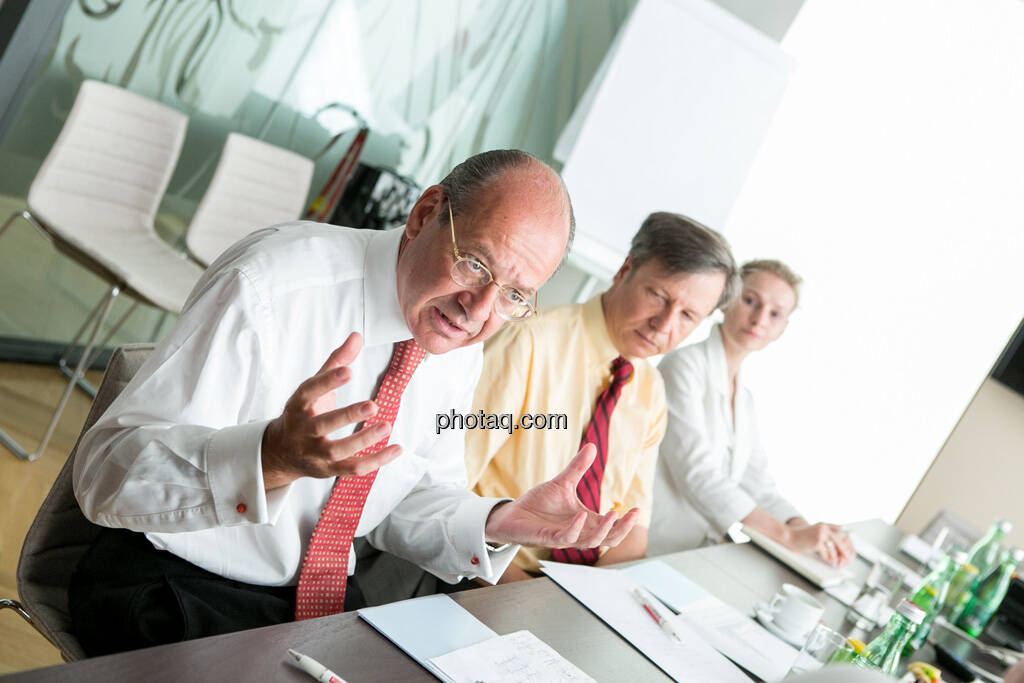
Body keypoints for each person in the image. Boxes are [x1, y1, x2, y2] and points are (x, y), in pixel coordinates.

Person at [68, 149, 638, 655]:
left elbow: (406, 496)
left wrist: (497, 520)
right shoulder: (272, 283)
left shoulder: (456, 343)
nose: (479, 309)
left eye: (515, 294)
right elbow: (104, 476)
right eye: (476, 263)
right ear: (423, 214)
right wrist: (270, 459)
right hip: (177, 581)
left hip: (311, 606)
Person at [465, 212, 738, 581]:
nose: (665, 325)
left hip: (576, 592)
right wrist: (528, 601)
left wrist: (586, 603)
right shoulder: (528, 343)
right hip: (489, 575)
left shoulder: (649, 389)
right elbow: (453, 495)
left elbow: (632, 528)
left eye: (688, 315)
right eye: (658, 295)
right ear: (625, 269)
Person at [648, 259, 854, 565]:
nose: (759, 319)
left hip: (692, 554)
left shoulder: (743, 399)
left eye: (775, 314)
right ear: (727, 300)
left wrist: (800, 526)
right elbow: (698, 473)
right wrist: (786, 537)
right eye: (750, 301)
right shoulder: (683, 367)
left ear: (782, 329)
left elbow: (755, 480)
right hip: (650, 544)